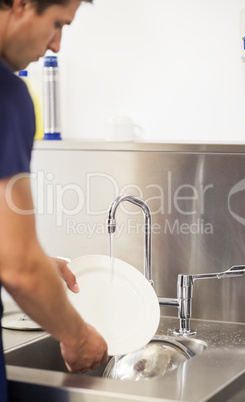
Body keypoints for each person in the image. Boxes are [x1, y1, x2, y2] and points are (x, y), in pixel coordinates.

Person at [0, 0, 108, 400]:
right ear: (23, 4)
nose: (57, 45)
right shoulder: (7, 93)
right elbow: (19, 268)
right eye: (58, 24)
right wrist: (78, 337)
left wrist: (35, 263)